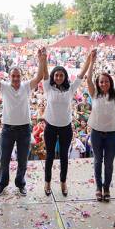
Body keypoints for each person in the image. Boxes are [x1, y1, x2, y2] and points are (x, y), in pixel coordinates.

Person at [0, 48, 45, 197]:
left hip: (24, 129)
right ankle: (2, 184)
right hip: (8, 130)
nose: (16, 79)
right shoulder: (4, 87)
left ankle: (20, 183)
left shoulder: (26, 86)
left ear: (21, 77)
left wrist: (41, 60)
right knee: (4, 160)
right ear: (10, 76)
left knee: (23, 160)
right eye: (13, 76)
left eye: (18, 76)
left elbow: (39, 76)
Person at [42, 49, 91, 196]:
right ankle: (47, 182)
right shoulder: (48, 88)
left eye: (61, 75)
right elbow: (44, 73)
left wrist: (89, 59)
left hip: (65, 128)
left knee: (64, 156)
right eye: (56, 75)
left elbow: (82, 74)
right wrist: (43, 58)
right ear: (53, 76)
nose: (58, 77)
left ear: (65, 77)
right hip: (50, 127)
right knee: (50, 156)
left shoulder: (71, 89)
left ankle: (63, 182)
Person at [86, 49, 115, 202]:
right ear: (98, 83)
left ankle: (106, 187)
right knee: (97, 161)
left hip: (111, 135)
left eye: (106, 81)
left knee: (109, 163)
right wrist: (92, 61)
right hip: (96, 133)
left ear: (110, 82)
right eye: (101, 81)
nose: (104, 83)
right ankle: (98, 187)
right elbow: (88, 79)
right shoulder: (94, 94)